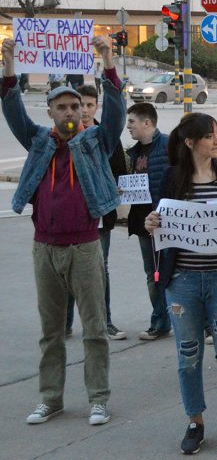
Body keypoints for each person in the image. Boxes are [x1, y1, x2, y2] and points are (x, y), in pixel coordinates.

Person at [2, 36, 123, 427]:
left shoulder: (95, 142)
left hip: (85, 248)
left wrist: (107, 62)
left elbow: (117, 113)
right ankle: (50, 398)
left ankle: (98, 399)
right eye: (62, 106)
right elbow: (12, 109)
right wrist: (9, 65)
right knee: (51, 332)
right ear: (51, 111)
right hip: (45, 249)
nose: (70, 111)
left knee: (94, 331)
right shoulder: (39, 142)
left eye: (75, 106)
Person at [143, 113, 217, 454]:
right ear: (191, 142)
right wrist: (151, 223)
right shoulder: (172, 178)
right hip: (183, 282)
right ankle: (196, 421)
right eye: (211, 136)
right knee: (187, 355)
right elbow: (158, 221)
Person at [64, 84, 128, 341]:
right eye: (82, 106)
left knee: (100, 269)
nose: (86, 110)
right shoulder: (63, 137)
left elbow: (120, 173)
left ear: (96, 106)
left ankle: (106, 322)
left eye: (91, 105)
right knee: (66, 269)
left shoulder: (106, 135)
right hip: (69, 218)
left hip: (99, 219)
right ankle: (65, 323)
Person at [125, 103, 173, 341]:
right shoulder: (132, 154)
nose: (128, 127)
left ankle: (202, 323)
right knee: (152, 273)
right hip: (143, 223)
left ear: (147, 122)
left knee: (175, 272)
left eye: (132, 122)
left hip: (168, 222)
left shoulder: (168, 146)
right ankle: (160, 322)